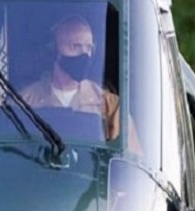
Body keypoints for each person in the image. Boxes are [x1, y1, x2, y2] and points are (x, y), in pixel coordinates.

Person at [20, 15, 126, 144]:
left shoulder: (111, 106)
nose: (85, 55)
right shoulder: (25, 101)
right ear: (54, 49)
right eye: (75, 47)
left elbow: (127, 159)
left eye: (89, 48)